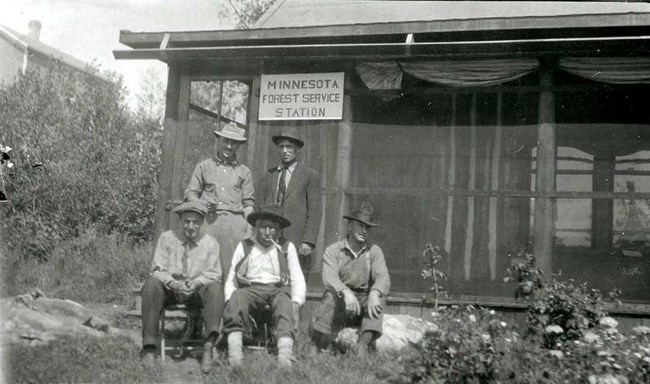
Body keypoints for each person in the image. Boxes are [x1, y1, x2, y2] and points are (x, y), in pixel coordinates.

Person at [140, 201, 224, 373]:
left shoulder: (210, 243)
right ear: (180, 221)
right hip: (172, 290)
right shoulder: (167, 238)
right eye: (187, 221)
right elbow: (156, 270)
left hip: (196, 291)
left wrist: (196, 282)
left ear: (202, 223)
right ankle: (149, 348)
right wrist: (173, 283)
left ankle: (208, 346)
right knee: (151, 285)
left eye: (195, 222)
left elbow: (215, 273)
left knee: (215, 288)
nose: (191, 226)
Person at [222, 204, 306, 368]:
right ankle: (235, 354)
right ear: (256, 227)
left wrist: (296, 302)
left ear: (279, 230)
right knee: (237, 298)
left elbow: (297, 277)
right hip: (250, 288)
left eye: (272, 228)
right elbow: (232, 277)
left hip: (277, 288)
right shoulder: (245, 246)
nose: (268, 232)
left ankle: (285, 356)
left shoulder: (286, 247)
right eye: (263, 227)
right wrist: (228, 301)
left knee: (285, 304)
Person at [310, 202, 391, 357]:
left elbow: (383, 277)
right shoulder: (334, 250)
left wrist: (374, 292)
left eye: (367, 228)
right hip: (342, 300)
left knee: (378, 299)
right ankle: (316, 344)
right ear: (349, 226)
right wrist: (346, 292)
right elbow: (329, 277)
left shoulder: (374, 251)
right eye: (360, 226)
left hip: (363, 300)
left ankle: (362, 345)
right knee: (330, 296)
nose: (364, 231)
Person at [184, 122, 255, 278]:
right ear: (219, 140)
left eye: (233, 143)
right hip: (208, 221)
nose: (229, 146)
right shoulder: (203, 167)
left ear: (238, 146)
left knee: (231, 268)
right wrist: (201, 204)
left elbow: (248, 204)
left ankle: (228, 300)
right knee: (202, 265)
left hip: (235, 225)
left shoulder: (244, 171)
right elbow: (191, 193)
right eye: (226, 141)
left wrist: (249, 231)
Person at [258, 127, 322, 276]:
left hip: (296, 240)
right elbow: (259, 207)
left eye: (289, 147)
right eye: (281, 147)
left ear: (297, 149)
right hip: (270, 238)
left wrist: (308, 241)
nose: (285, 151)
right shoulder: (268, 175)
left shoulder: (309, 175)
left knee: (295, 280)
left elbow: (315, 211)